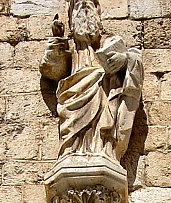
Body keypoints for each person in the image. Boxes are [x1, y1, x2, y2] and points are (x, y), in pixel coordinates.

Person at [39, 0, 143, 163]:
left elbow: (135, 61)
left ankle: (103, 149)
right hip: (73, 98)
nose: (84, 10)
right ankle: (72, 152)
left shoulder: (110, 41)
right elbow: (51, 70)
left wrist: (124, 60)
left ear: (97, 13)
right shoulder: (70, 48)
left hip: (103, 94)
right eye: (78, 6)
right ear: (71, 17)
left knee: (105, 103)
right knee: (71, 131)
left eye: (89, 5)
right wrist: (57, 40)